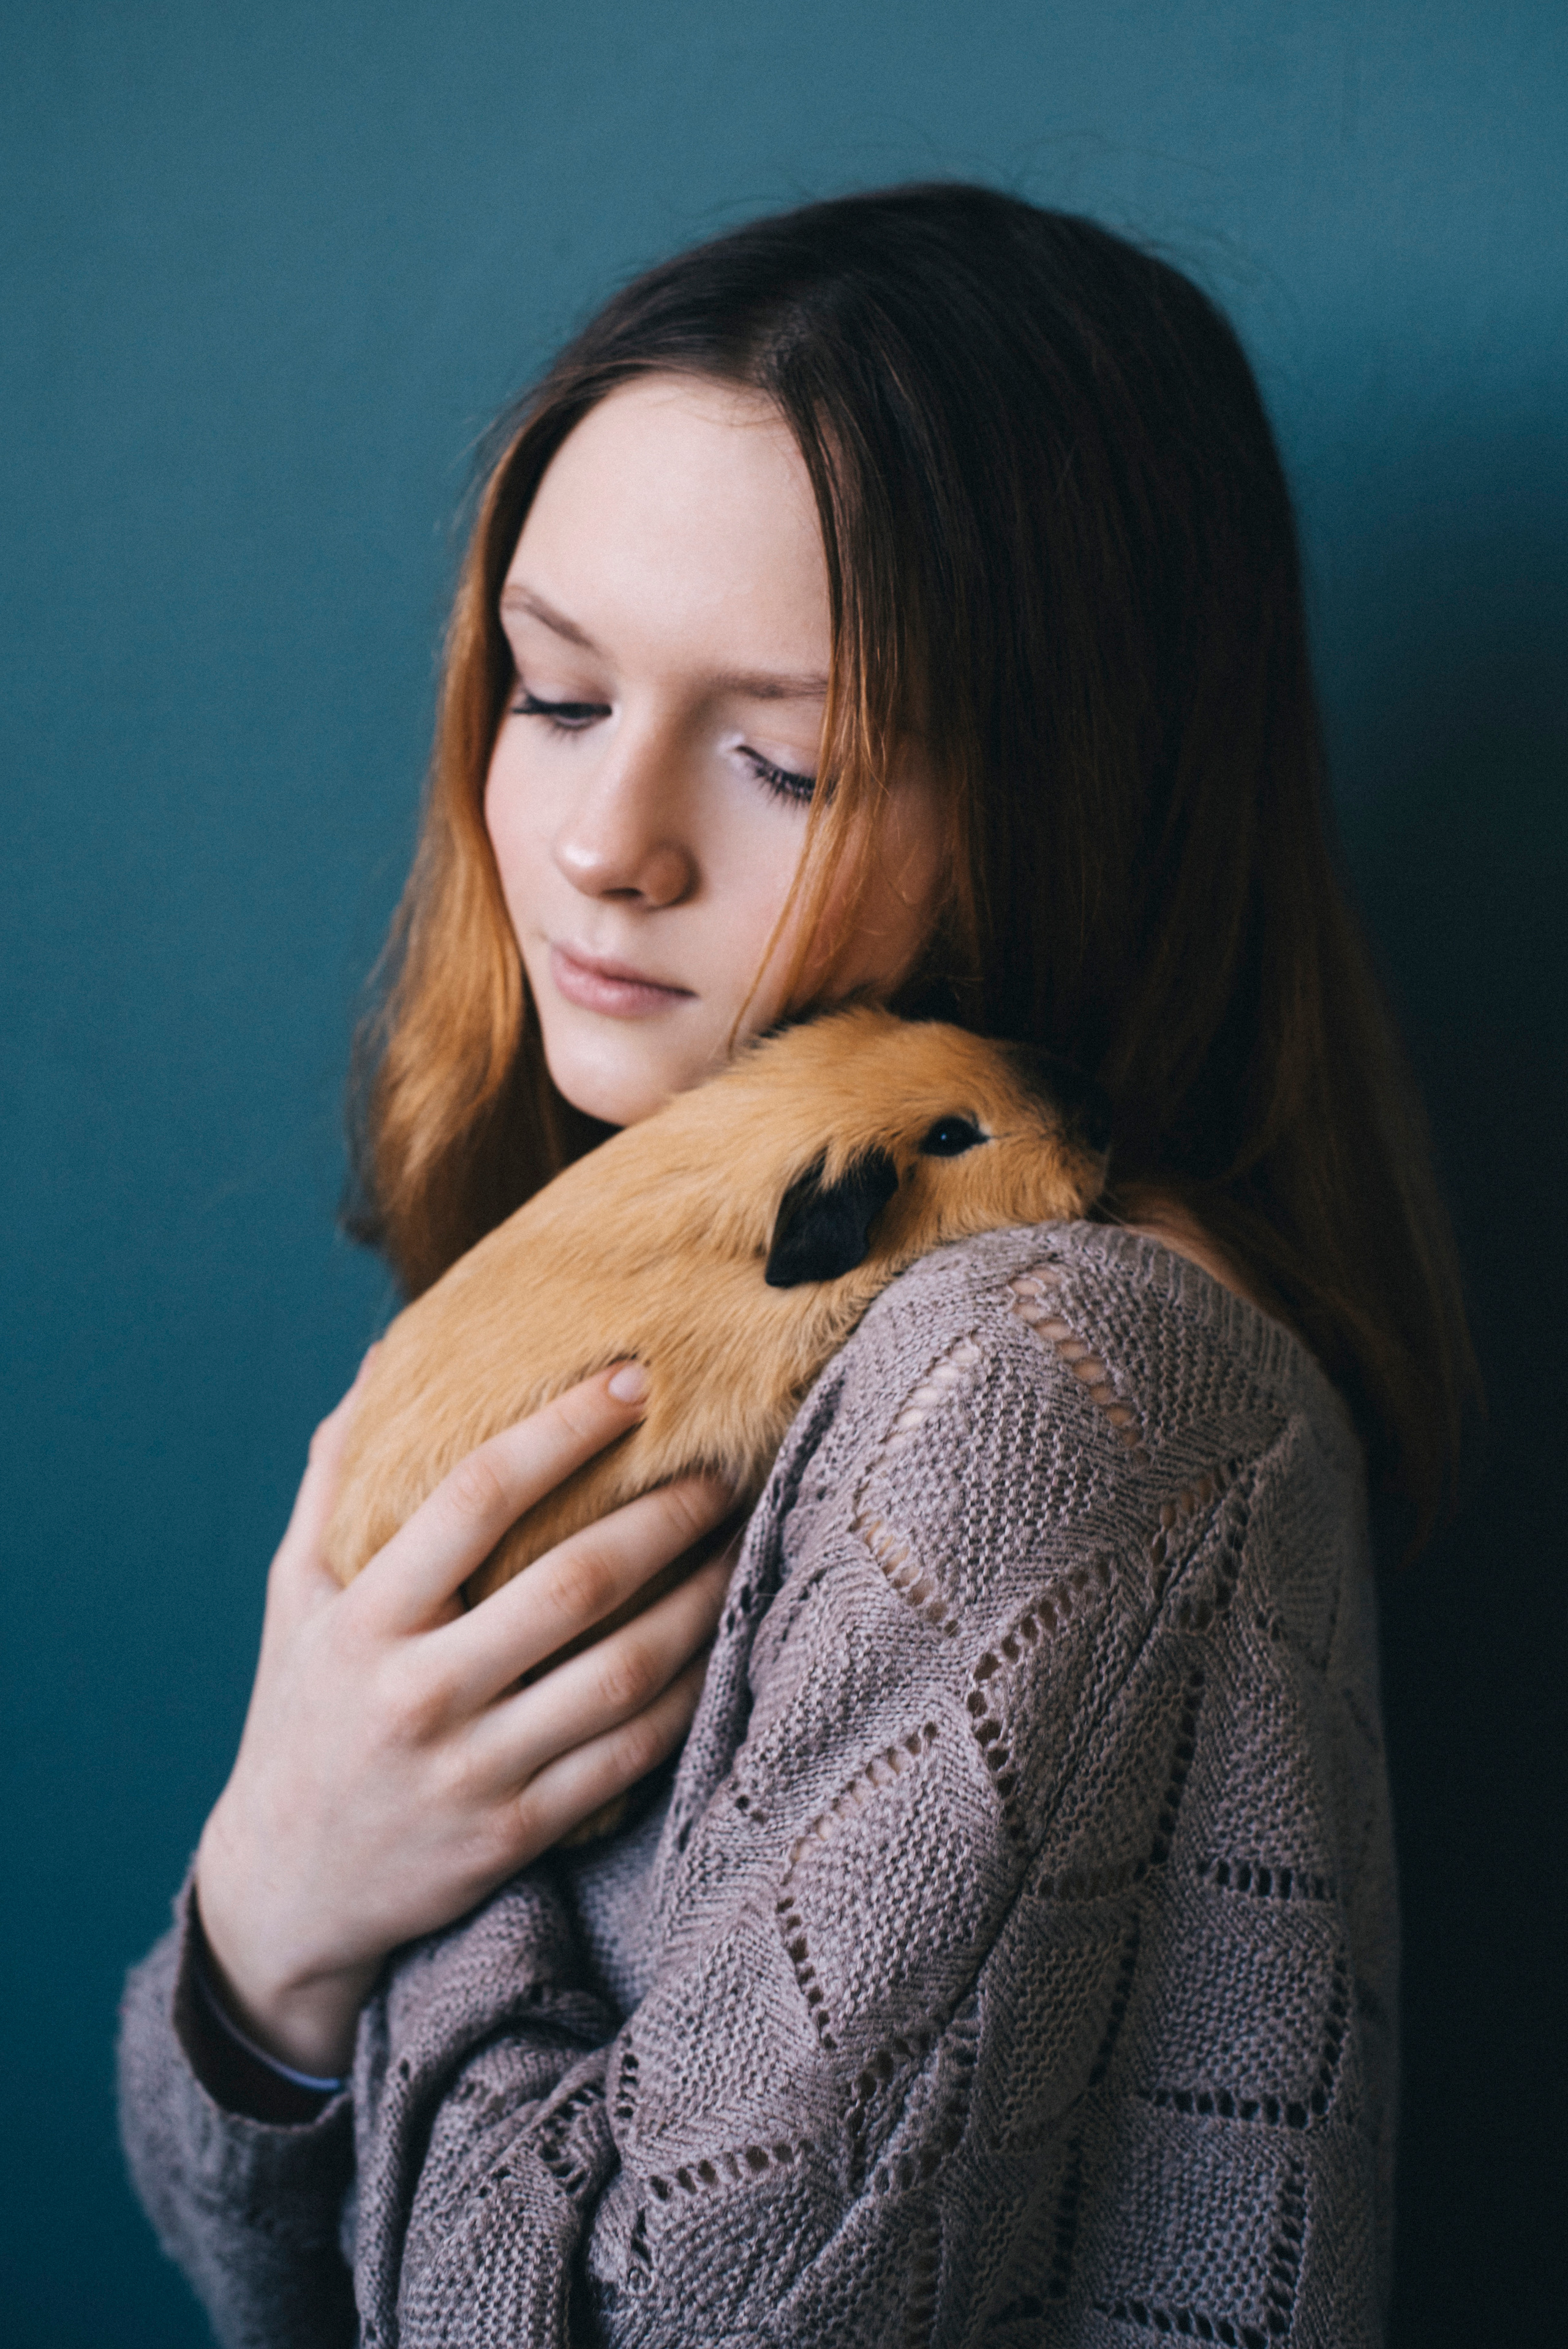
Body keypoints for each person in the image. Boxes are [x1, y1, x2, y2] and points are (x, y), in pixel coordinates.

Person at [118, 184, 1472, 2347]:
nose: (603, 840)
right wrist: (277, 1917)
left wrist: (393, 1880)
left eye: (783, 758)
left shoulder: (1053, 1377)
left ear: (1072, 801)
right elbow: (256, 2257)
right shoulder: (708, 1292)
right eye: (554, 693)